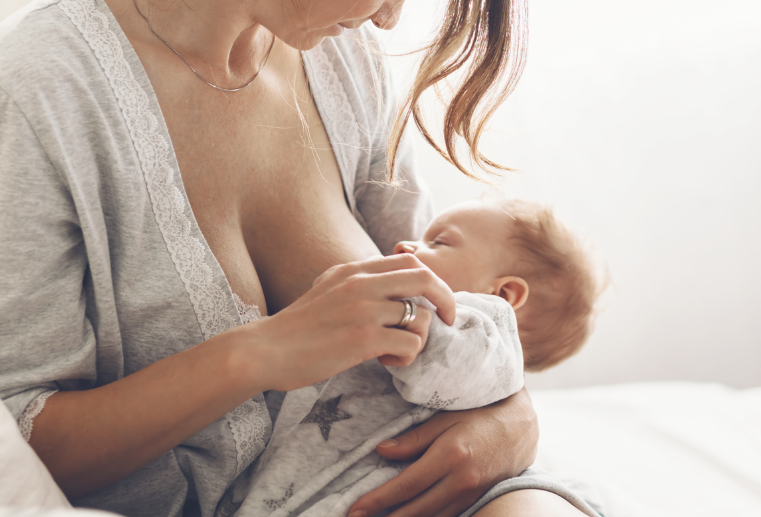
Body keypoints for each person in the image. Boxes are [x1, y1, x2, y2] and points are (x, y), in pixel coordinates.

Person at [0, 0, 597, 515]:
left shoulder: (341, 65)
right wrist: (264, 354)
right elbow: (4, 440)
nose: (386, 20)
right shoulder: (29, 93)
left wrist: (511, 418)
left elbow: (449, 320)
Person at [235, 198, 603, 517]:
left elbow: (452, 363)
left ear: (504, 294)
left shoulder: (489, 333)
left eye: (439, 241)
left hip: (373, 491)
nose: (403, 244)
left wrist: (403, 322)